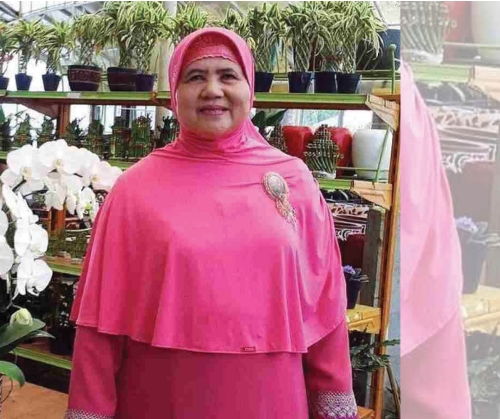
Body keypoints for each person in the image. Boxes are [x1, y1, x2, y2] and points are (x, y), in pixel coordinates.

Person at [65, 27, 357, 419]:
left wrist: (334, 402)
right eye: (195, 77)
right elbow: (99, 322)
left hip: (270, 399)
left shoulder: (294, 181)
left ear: (250, 89)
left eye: (228, 75)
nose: (212, 90)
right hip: (163, 398)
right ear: (175, 92)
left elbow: (326, 308)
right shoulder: (135, 190)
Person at [399, 64, 472, 419]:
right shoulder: (404, 91)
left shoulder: (402, 93)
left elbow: (410, 206)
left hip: (425, 268)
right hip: (429, 267)